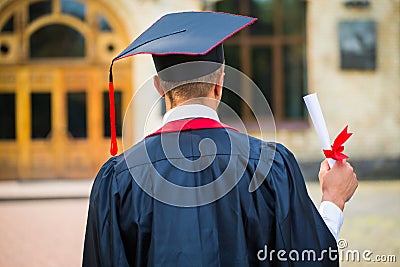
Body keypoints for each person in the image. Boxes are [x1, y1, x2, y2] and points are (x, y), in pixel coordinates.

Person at [83, 12, 358, 267]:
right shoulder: (269, 167)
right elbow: (307, 260)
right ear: (220, 83)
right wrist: (333, 200)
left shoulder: (119, 179)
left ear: (159, 87)